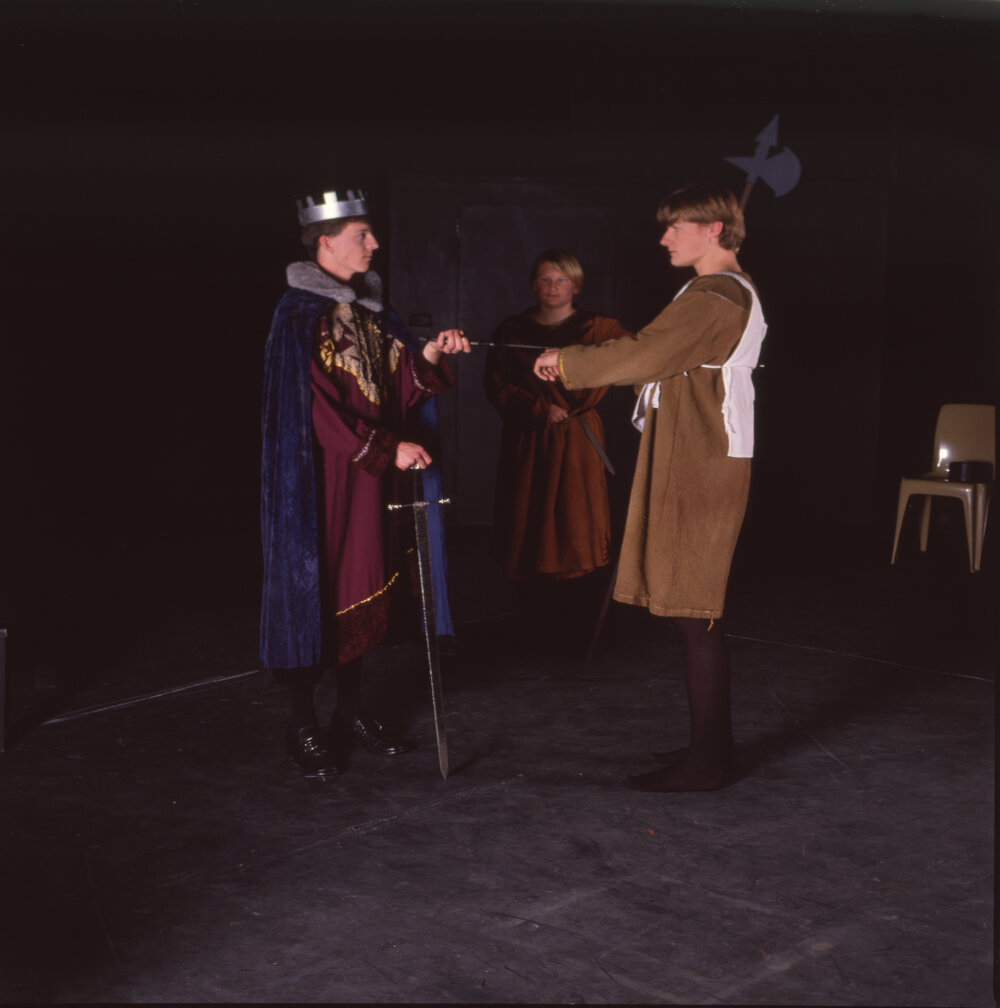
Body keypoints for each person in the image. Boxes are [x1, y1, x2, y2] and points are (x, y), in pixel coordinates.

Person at [534, 184, 767, 792]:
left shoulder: (717, 293)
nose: (664, 237)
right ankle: (713, 744)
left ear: (714, 228)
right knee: (695, 612)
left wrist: (566, 363)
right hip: (696, 446)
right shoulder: (712, 290)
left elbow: (649, 353)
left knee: (695, 612)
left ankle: (709, 763)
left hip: (704, 455)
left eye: (676, 226)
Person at [260, 187, 470, 779]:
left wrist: (427, 352)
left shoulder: (374, 314)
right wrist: (384, 447)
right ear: (325, 244)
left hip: (372, 481)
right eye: (362, 236)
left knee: (366, 584)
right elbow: (309, 409)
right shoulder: (299, 314)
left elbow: (399, 392)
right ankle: (302, 725)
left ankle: (349, 711)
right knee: (317, 589)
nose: (374, 244)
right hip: (322, 482)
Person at [483, 250, 629, 639]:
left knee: (576, 518)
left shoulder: (601, 328)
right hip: (530, 437)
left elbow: (630, 358)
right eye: (545, 280)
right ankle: (532, 619)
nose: (552, 287)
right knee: (527, 516)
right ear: (533, 285)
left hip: (579, 437)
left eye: (561, 280)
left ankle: (577, 616)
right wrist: (536, 408)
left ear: (575, 286)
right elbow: (495, 385)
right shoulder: (511, 331)